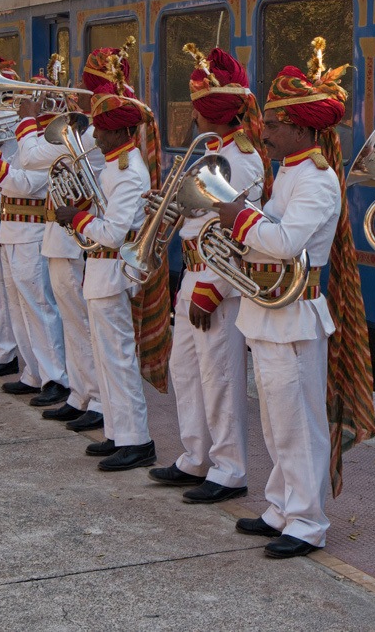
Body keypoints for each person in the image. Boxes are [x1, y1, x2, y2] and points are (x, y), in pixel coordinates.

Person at [215, 36, 374, 559]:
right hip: (270, 313)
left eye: (276, 125)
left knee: (298, 423)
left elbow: (285, 244)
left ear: (302, 127)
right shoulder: (288, 173)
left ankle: (307, 522)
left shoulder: (318, 181)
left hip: (295, 316)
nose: (266, 132)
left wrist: (238, 218)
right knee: (274, 420)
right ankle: (281, 506)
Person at [147, 45, 267, 504]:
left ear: (207, 111)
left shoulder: (241, 159)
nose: (192, 117)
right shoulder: (212, 151)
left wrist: (215, 288)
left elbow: (241, 231)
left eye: (197, 109)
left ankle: (230, 469)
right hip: (193, 272)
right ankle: (196, 456)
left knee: (220, 377)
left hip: (216, 278)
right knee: (187, 371)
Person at [55, 40, 172, 472]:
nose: (96, 135)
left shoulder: (128, 172)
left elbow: (114, 232)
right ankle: (118, 433)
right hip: (100, 273)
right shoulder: (113, 165)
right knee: (106, 357)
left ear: (122, 133)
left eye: (102, 130)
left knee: (119, 359)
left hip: (113, 271)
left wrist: (76, 217)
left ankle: (137, 439)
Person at [0, 58, 68, 403]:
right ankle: (33, 371)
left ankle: (56, 377)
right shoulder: (25, 140)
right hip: (10, 228)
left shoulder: (50, 142)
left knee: (39, 306)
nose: (23, 106)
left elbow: (28, 184)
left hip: (32, 229)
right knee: (20, 305)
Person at [12, 62, 103, 420]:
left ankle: (96, 399)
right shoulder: (84, 130)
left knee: (82, 323)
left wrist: (28, 119)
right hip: (60, 237)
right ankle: (81, 395)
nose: (74, 92)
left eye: (83, 88)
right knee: (72, 322)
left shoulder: (92, 133)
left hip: (75, 238)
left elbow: (31, 159)